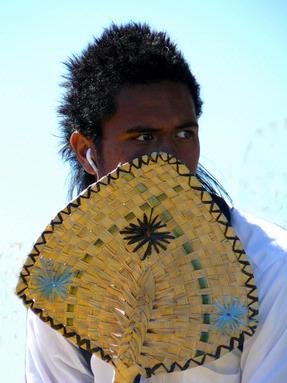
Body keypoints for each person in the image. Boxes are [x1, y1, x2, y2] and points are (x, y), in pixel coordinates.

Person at [26, 23, 287, 383]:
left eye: (184, 134)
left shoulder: (272, 266)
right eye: (143, 137)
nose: (168, 159)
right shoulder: (63, 275)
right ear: (87, 152)